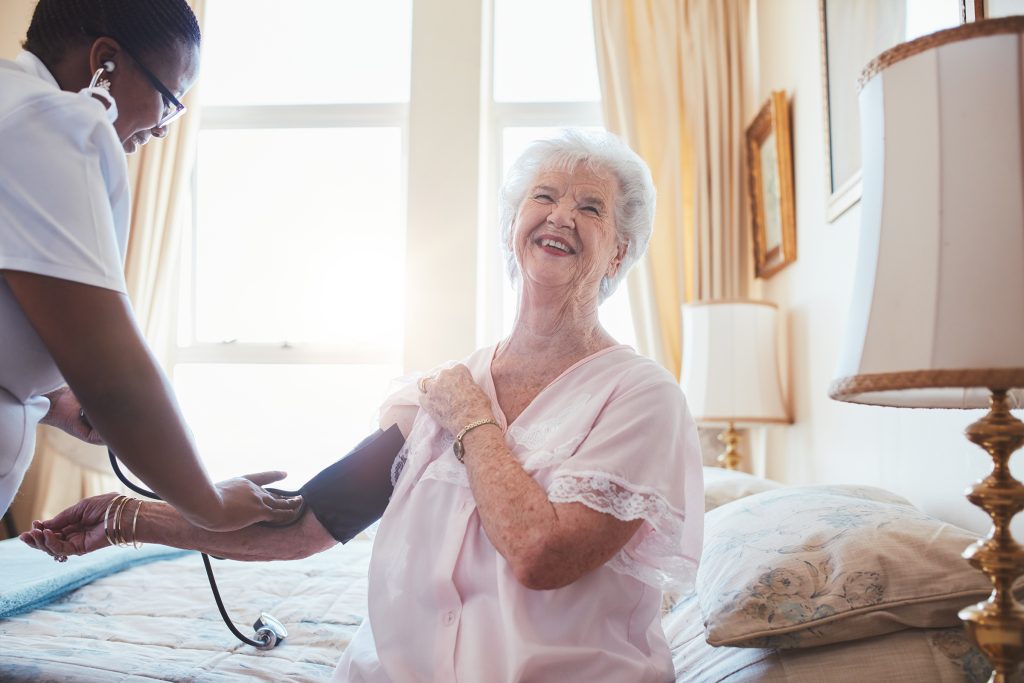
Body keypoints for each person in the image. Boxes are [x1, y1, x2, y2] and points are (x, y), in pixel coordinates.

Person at [23, 130, 704, 682]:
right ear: (512, 227)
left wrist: (472, 419)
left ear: (619, 249)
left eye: (590, 207)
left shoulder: (642, 398)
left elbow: (541, 553)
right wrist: (125, 517)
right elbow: (306, 521)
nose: (560, 215)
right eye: (544, 196)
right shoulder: (436, 390)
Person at [0, 0, 301, 530]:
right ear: (105, 62)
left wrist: (54, 402)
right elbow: (111, 371)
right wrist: (209, 504)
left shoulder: (14, 103)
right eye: (169, 99)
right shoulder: (48, 123)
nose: (163, 128)